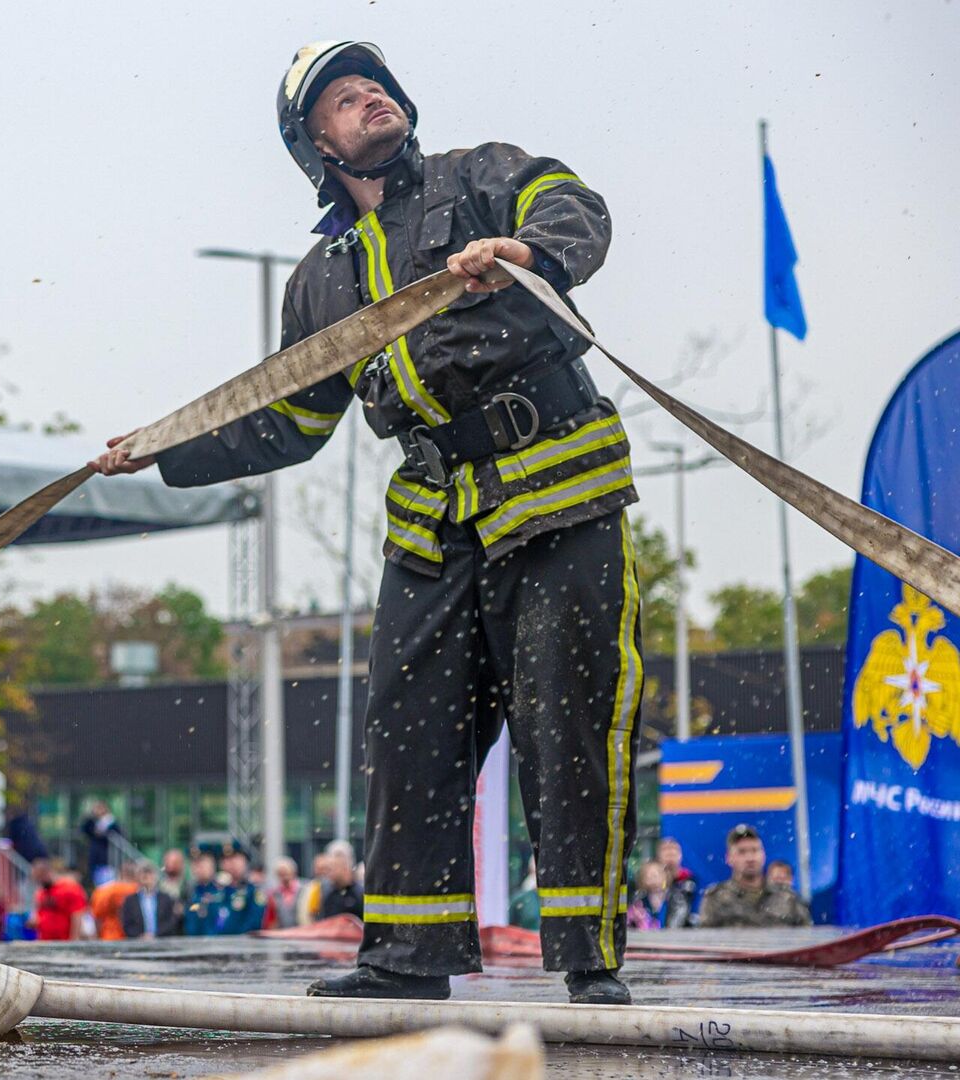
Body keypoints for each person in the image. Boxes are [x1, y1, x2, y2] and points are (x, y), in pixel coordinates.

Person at [93, 38, 633, 1007]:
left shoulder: (482, 176)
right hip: (430, 525)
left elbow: (576, 208)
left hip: (557, 489)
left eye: (374, 84)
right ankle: (408, 963)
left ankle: (588, 966)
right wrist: (168, 446)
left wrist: (526, 251)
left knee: (566, 725)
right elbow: (288, 423)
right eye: (344, 99)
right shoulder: (320, 281)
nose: (369, 98)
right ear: (317, 149)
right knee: (408, 732)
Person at [699, 825, 812, 928]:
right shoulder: (716, 898)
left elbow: (806, 939)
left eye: (755, 850)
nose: (750, 858)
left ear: (763, 855)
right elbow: (707, 943)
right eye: (742, 852)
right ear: (729, 858)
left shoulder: (787, 897)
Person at [31, 861, 91, 942]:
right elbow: (39, 915)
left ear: (48, 873)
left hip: (64, 941)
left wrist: (74, 940)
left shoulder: (70, 888)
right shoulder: (42, 892)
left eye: (40, 877)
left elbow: (77, 916)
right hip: (45, 941)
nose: (39, 882)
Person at [121, 862, 182, 939]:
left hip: (163, 942)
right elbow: (127, 924)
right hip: (137, 944)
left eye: (149, 872)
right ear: (137, 876)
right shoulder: (130, 901)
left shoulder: (166, 899)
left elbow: (171, 921)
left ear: (155, 876)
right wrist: (141, 936)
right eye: (142, 872)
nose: (146, 876)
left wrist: (155, 935)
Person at [78, 800, 124, 890]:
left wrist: (103, 833)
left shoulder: (112, 822)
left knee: (107, 885)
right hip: (96, 858)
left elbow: (116, 835)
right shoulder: (93, 822)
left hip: (107, 859)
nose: (98, 811)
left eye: (100, 808)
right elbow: (85, 829)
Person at [91, 861, 142, 941]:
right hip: (136, 937)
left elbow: (97, 918)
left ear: (121, 872)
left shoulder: (104, 891)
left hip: (110, 935)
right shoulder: (141, 891)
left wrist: (98, 936)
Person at [655, 838, 700, 920]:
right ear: (659, 856)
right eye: (665, 851)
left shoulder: (691, 881)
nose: (670, 854)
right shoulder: (652, 882)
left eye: (673, 852)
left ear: (680, 855)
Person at [182, 851, 223, 936]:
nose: (199, 868)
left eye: (203, 864)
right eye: (196, 865)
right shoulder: (189, 892)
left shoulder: (222, 891)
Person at [263, 857, 303, 929]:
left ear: (293, 872)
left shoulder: (303, 890)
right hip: (282, 933)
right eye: (281, 874)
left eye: (286, 873)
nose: (284, 877)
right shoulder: (273, 894)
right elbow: (271, 919)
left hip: (300, 932)